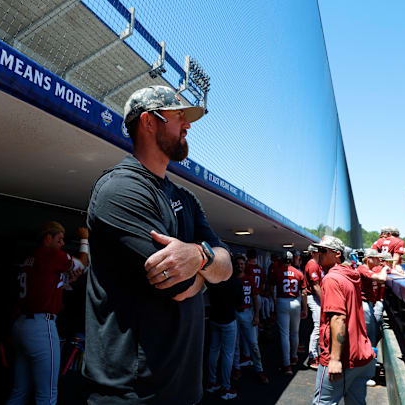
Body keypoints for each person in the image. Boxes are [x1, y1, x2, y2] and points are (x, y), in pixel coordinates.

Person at [83, 85, 232, 405]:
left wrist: (199, 255)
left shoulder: (185, 197)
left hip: (182, 388)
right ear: (149, 122)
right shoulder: (120, 190)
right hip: (133, 393)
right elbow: (178, 284)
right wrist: (208, 268)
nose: (188, 125)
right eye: (179, 116)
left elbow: (227, 263)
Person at [6, 222, 89, 405]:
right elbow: (83, 264)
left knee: (19, 391)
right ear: (47, 238)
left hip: (20, 325)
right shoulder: (51, 254)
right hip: (40, 325)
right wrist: (85, 239)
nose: (62, 244)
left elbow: (57, 280)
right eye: (59, 239)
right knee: (47, 394)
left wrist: (68, 277)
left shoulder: (31, 258)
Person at [312, 236, 375, 405]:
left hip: (344, 356)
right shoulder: (350, 275)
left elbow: (339, 318)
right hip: (362, 355)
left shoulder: (332, 278)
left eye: (323, 251)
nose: (318, 254)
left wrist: (335, 359)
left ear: (337, 254)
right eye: (317, 250)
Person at [205, 254, 244, 400]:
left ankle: (211, 382)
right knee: (228, 354)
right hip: (228, 320)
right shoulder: (236, 282)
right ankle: (226, 387)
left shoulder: (214, 279)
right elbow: (240, 304)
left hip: (214, 319)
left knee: (214, 350)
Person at [269, 251, 307, 375]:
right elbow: (304, 292)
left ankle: (287, 364)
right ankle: (294, 356)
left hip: (282, 301)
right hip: (295, 302)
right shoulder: (298, 273)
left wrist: (275, 303)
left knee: (284, 334)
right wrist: (304, 308)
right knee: (294, 332)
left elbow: (271, 288)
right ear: (291, 260)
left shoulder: (277, 271)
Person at [234, 253, 270, 384]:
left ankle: (259, 369)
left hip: (248, 312)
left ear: (245, 265)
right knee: (235, 344)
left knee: (253, 344)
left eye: (242, 264)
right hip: (235, 313)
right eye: (237, 264)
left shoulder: (249, 278)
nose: (239, 266)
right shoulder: (232, 279)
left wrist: (256, 315)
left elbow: (255, 298)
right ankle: (237, 368)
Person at [305, 245, 324, 370]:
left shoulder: (317, 264)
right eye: (317, 251)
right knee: (317, 326)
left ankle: (316, 353)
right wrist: (324, 301)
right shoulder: (312, 264)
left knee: (319, 326)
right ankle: (312, 356)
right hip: (313, 296)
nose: (320, 253)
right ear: (312, 253)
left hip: (316, 296)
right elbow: (316, 286)